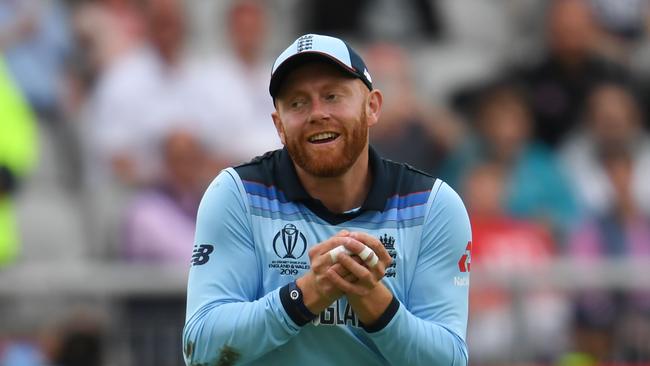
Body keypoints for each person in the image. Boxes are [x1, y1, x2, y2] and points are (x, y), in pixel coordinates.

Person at [183, 34, 471, 365]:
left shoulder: (432, 205)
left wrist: (373, 299)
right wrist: (306, 294)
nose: (317, 113)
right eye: (297, 102)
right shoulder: (237, 194)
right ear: (279, 125)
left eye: (332, 96)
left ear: (372, 106)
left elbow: (448, 360)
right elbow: (200, 349)